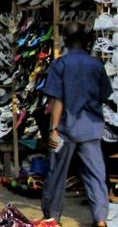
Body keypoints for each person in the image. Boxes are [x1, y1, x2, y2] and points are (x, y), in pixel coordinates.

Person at [42, 23, 111, 226]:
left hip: (65, 129)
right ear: (86, 41)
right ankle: (100, 219)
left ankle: (52, 217)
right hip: (90, 128)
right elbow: (104, 95)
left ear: (65, 40)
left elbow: (57, 100)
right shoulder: (96, 65)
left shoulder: (60, 64)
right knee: (96, 175)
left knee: (57, 174)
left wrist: (53, 129)